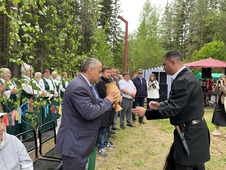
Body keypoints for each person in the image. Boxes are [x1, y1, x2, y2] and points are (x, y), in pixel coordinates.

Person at [132, 50, 210, 170]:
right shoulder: (186, 76)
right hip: (192, 131)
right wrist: (160, 104)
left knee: (186, 165)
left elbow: (173, 109)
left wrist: (146, 112)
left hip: (191, 134)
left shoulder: (183, 79)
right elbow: (180, 100)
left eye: (164, 65)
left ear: (173, 62)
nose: (163, 68)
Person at [55, 58, 118, 170]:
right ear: (90, 70)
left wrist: (108, 102)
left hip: (79, 142)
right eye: (99, 72)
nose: (100, 75)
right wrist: (108, 101)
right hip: (75, 144)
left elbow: (94, 101)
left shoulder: (85, 84)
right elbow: (89, 112)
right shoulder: (79, 86)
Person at [95, 67, 115, 157]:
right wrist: (112, 101)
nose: (109, 74)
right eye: (107, 72)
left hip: (109, 107)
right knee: (102, 128)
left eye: (110, 72)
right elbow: (104, 95)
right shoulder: (100, 82)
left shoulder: (109, 81)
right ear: (102, 73)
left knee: (107, 126)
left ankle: (106, 142)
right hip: (103, 107)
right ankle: (100, 146)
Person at [0, 68, 20, 136]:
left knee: (14, 118)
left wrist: (16, 91)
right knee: (8, 120)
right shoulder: (1, 82)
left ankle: (16, 135)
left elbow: (17, 90)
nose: (8, 75)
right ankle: (9, 135)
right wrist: (10, 92)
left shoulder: (12, 82)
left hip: (13, 102)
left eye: (9, 74)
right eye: (6, 74)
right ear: (1, 75)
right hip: (5, 104)